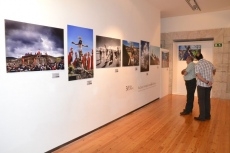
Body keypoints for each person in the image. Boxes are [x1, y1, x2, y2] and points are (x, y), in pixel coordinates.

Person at [194, 53, 216, 121]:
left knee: (201, 101)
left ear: (196, 58)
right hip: (209, 85)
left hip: (202, 85)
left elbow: (199, 76)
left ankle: (202, 117)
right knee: (207, 100)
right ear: (202, 56)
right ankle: (207, 115)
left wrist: (206, 81)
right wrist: (211, 78)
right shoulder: (209, 62)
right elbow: (214, 69)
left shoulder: (197, 65)